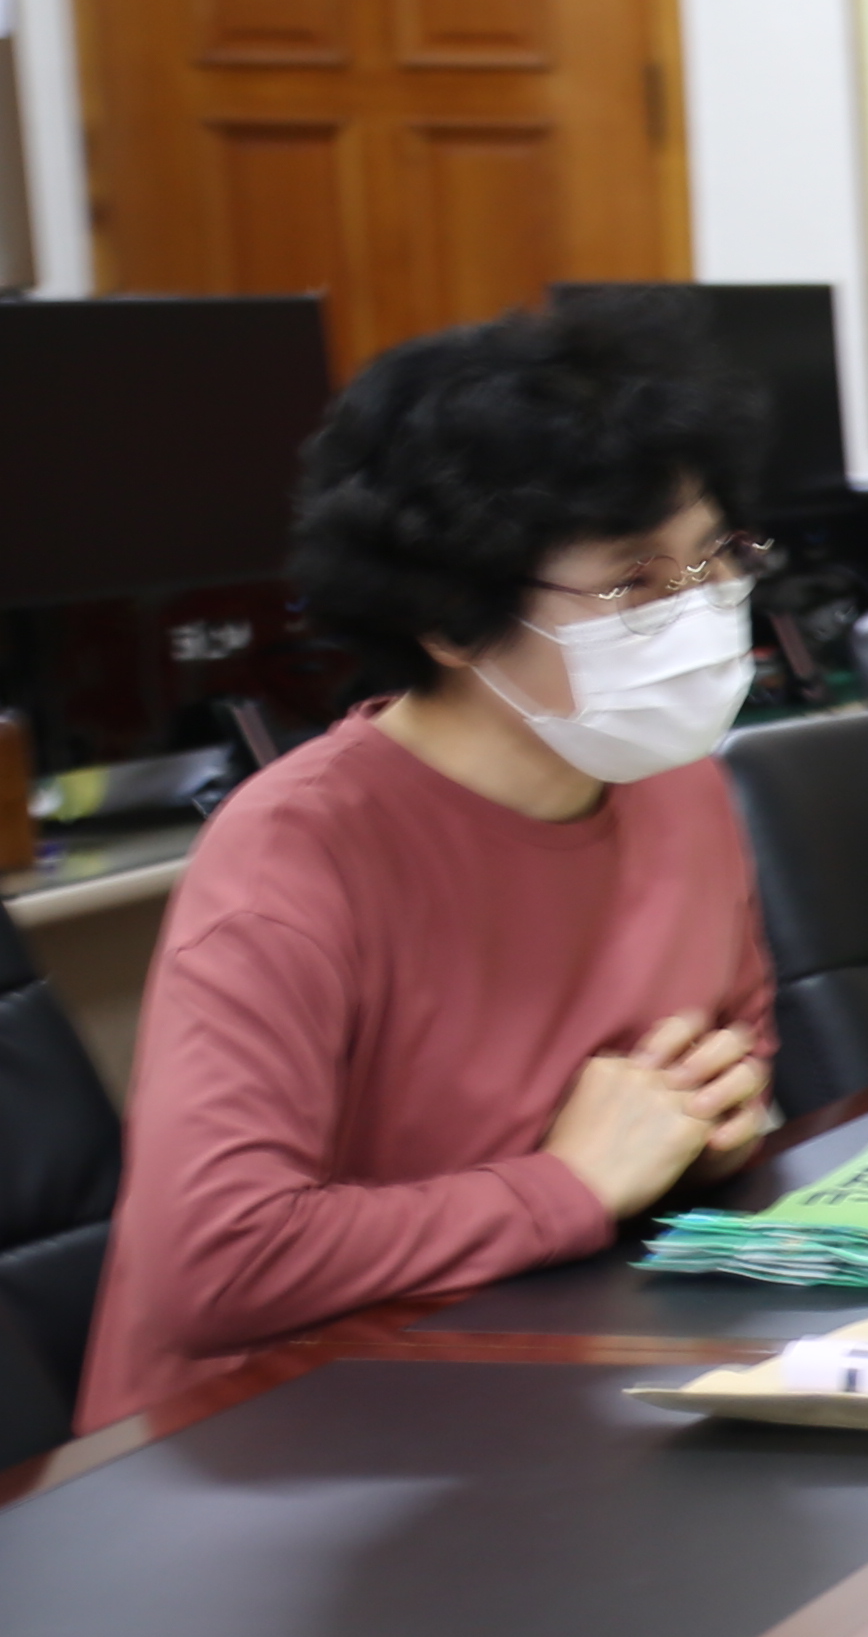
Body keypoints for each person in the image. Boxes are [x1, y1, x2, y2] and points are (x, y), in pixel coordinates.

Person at [78, 305, 783, 1432]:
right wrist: (565, 1186)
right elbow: (213, 1260)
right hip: (269, 1436)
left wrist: (712, 1124)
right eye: (634, 584)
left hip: (539, 1360)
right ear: (454, 618)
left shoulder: (678, 784)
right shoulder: (298, 856)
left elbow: (729, 1058)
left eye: (714, 560)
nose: (701, 612)